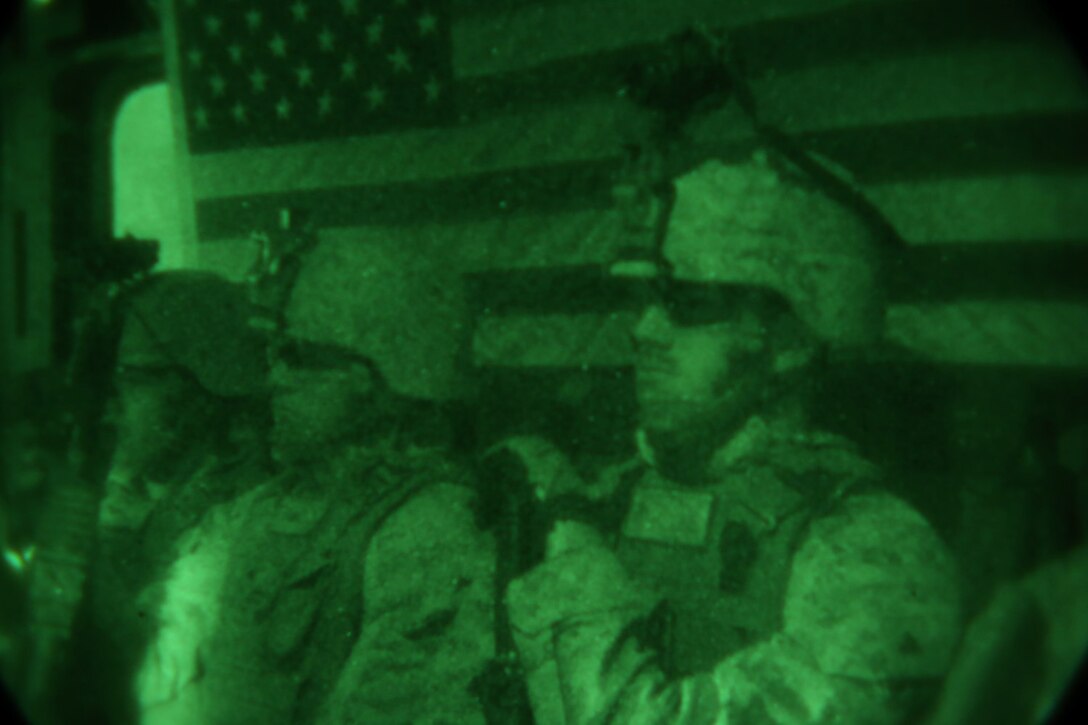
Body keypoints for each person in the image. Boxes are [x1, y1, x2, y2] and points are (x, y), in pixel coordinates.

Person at [499, 149, 963, 723]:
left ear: (790, 343)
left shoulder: (873, 552)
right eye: (643, 302)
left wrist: (573, 553)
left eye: (691, 305)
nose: (645, 330)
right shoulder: (610, 497)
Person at [135, 241, 496, 725]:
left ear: (373, 381)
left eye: (300, 357)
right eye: (276, 355)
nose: (276, 379)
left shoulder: (426, 529)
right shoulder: (260, 509)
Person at [63, 270, 270, 725]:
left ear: (202, 390)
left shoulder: (248, 512)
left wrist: (75, 546)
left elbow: (154, 671)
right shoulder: (129, 483)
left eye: (132, 379)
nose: (110, 408)